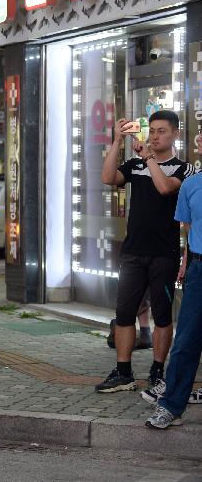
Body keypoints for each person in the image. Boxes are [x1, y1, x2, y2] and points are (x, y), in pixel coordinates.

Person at [98, 111, 193, 397]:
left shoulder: (184, 169)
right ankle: (124, 372)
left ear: (175, 134)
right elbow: (107, 177)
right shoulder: (135, 164)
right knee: (124, 313)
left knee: (162, 316)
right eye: (151, 131)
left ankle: (157, 372)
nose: (154, 136)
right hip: (133, 252)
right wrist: (116, 141)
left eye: (161, 131)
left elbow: (165, 188)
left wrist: (149, 158)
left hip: (164, 254)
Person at [146, 136, 202, 428]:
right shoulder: (191, 185)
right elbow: (189, 229)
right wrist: (185, 263)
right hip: (199, 268)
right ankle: (170, 407)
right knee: (186, 341)